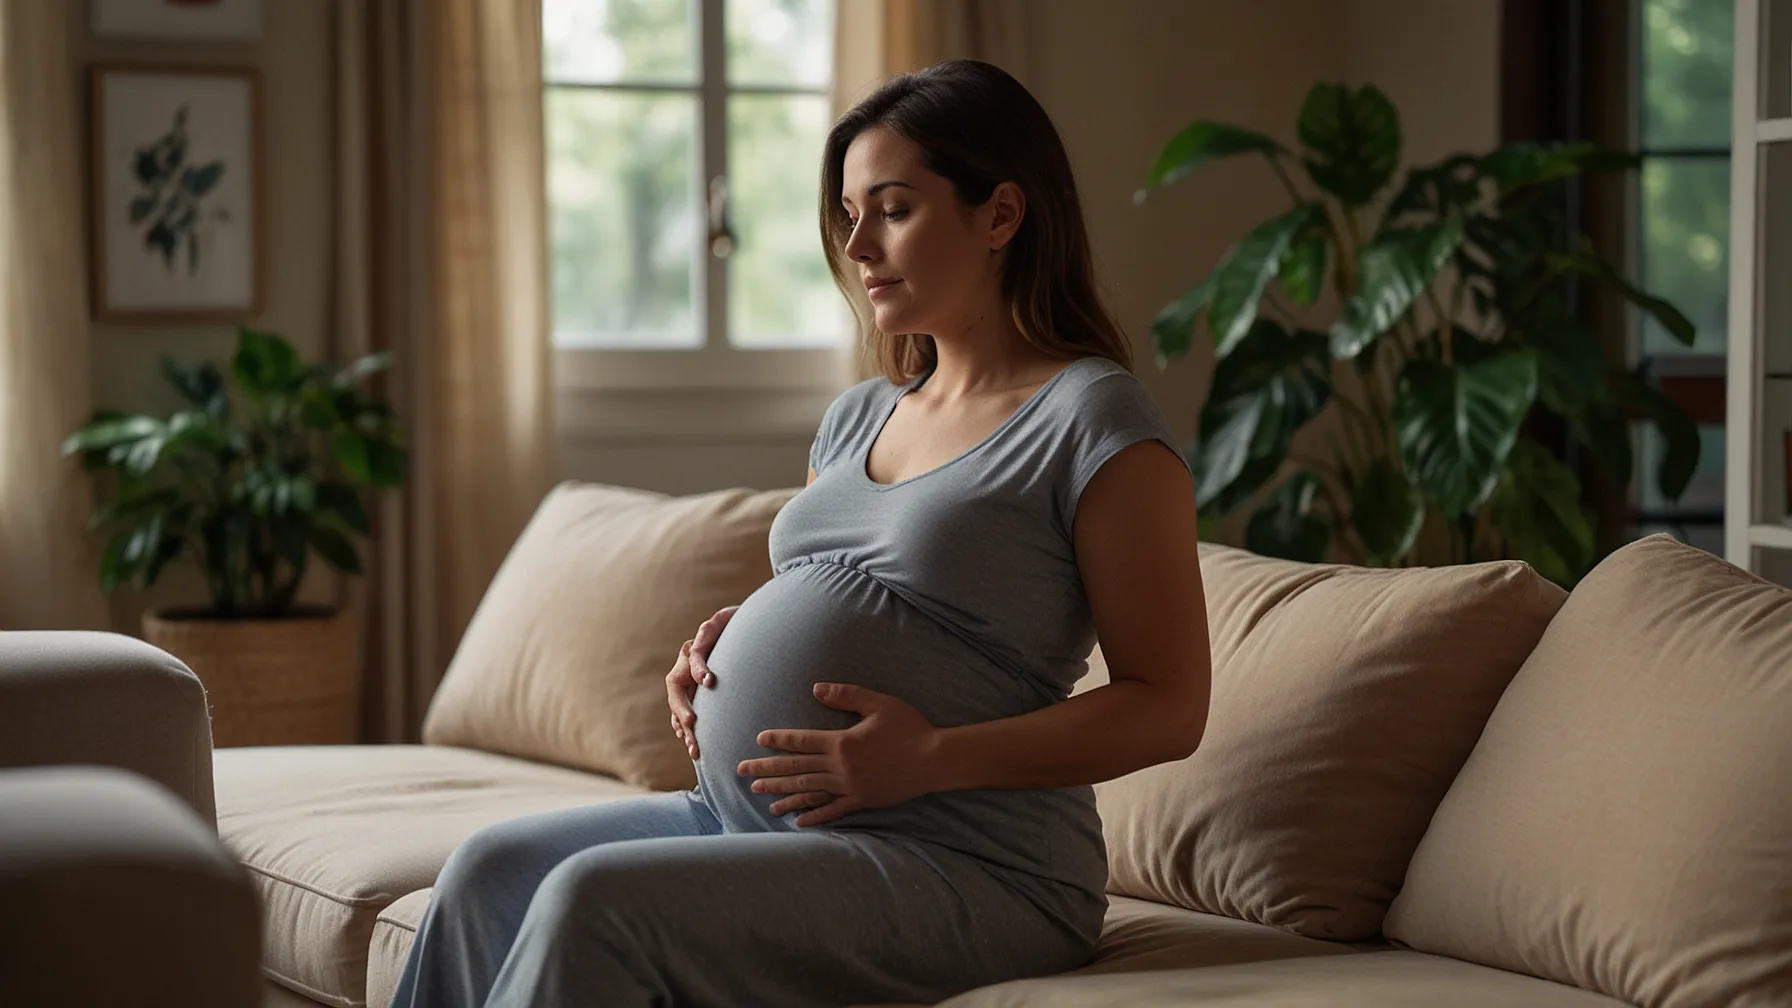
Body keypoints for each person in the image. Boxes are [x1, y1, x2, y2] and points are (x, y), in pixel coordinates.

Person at [389, 58, 1211, 1008]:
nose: (858, 244)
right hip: (751, 822)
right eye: (851, 213)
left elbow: (1169, 703)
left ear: (1001, 215)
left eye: (894, 209)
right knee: (487, 869)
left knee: (595, 900)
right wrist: (727, 641)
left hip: (972, 863)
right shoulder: (859, 416)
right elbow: (861, 591)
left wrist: (932, 756)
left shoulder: (1093, 418)